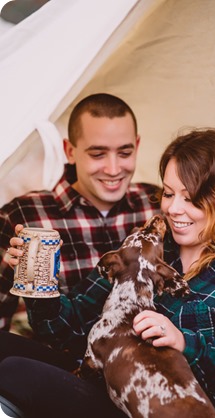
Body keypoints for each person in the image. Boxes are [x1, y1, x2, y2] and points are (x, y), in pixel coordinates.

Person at [0, 128, 215, 418]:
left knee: (17, 373)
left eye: (191, 198)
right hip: (103, 377)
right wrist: (37, 280)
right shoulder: (148, 249)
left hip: (155, 410)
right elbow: (73, 331)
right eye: (169, 193)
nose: (173, 208)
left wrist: (185, 343)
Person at [0, 93, 161, 333]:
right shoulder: (23, 216)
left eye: (125, 153)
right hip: (57, 364)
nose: (114, 169)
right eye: (97, 154)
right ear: (70, 151)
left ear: (137, 146)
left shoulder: (157, 204)